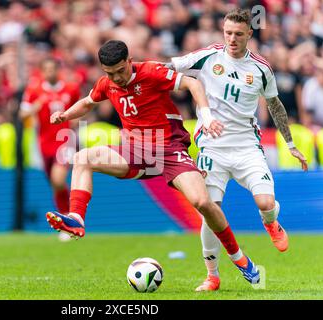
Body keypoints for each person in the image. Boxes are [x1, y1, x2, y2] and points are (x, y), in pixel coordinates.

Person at [46, 39, 261, 285]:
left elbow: (192, 82)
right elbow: (87, 103)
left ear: (129, 61)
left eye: (120, 71)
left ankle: (241, 259)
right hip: (135, 150)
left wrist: (206, 114)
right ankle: (77, 218)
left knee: (202, 202)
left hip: (169, 148)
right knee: (82, 158)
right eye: (110, 73)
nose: (116, 78)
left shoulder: (151, 72)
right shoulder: (106, 84)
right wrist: (65, 115)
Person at [167, 8, 308, 291]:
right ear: (223, 31)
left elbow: (275, 105)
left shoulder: (260, 68)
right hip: (211, 146)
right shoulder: (208, 56)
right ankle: (212, 275)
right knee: (210, 209)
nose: (232, 39)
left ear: (249, 35)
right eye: (228, 33)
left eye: (238, 34)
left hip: (246, 146)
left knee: (266, 204)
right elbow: (168, 67)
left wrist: (290, 143)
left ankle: (271, 223)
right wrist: (134, 71)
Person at [20, 58, 80, 223]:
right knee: (54, 184)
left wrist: (76, 119)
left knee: (58, 179)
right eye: (46, 69)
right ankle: (67, 219)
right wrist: (35, 108)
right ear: (41, 72)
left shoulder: (71, 89)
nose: (50, 72)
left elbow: (81, 108)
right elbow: (22, 114)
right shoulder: (34, 91)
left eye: (52, 69)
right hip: (44, 143)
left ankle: (69, 218)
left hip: (65, 141)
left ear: (57, 70)